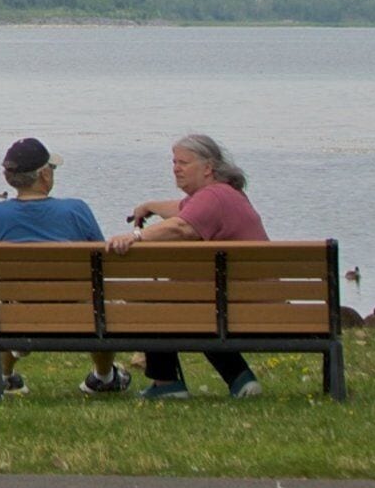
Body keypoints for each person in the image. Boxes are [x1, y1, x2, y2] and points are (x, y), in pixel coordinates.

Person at [0, 138, 128, 397]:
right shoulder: (76, 209)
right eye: (51, 168)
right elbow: (101, 264)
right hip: (81, 313)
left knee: (8, 306)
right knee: (99, 303)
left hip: (18, 315)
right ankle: (104, 377)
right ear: (43, 175)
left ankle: (4, 377)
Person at [111, 132, 267, 400]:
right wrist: (149, 206)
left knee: (155, 301)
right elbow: (182, 209)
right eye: (174, 162)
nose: (175, 168)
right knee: (193, 303)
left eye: (183, 162)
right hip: (253, 298)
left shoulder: (214, 196)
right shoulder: (225, 194)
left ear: (208, 168)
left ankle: (166, 384)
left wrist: (135, 237)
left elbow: (182, 225)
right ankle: (241, 380)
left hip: (238, 304)